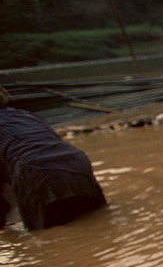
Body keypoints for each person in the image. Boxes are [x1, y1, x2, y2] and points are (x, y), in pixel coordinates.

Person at [0, 87, 106, 230]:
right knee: (99, 222)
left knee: (44, 237)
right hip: (76, 162)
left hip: (35, 171)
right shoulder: (25, 115)